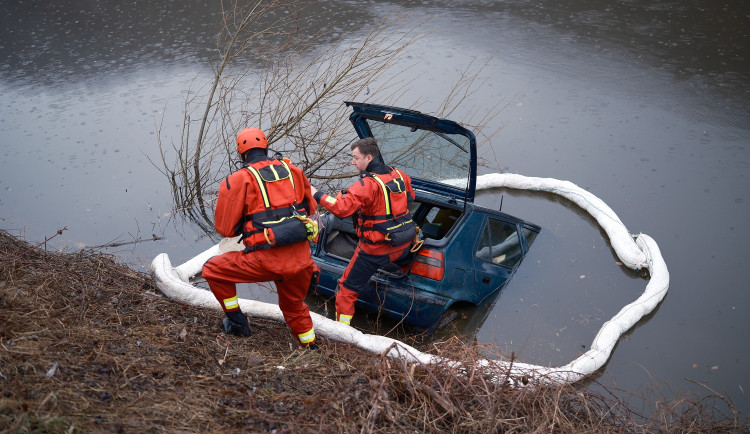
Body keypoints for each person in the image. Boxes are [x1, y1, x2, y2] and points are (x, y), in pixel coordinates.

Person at [202, 127, 319, 349]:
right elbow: (310, 207)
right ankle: (311, 347)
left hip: (265, 261)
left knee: (212, 270)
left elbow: (226, 229)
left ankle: (238, 324)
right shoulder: (294, 171)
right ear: (266, 147)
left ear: (241, 154)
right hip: (302, 260)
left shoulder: (237, 180)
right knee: (294, 307)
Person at [311, 137, 418, 326]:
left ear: (368, 157)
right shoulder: (400, 175)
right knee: (400, 264)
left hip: (374, 250)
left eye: (355, 157)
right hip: (403, 243)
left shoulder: (367, 185)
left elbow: (342, 209)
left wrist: (316, 194)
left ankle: (341, 331)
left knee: (346, 290)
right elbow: (410, 199)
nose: (353, 162)